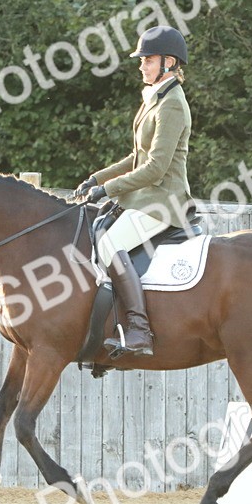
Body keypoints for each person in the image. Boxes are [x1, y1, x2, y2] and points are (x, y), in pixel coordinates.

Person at [75, 24, 194, 358]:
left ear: (168, 62)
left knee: (111, 243)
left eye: (148, 59)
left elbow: (155, 168)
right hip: (144, 198)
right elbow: (135, 157)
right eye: (142, 59)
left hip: (163, 201)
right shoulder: (155, 100)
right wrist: (96, 180)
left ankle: (139, 330)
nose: (141, 65)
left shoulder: (172, 104)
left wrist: (108, 189)